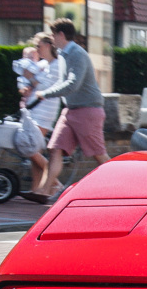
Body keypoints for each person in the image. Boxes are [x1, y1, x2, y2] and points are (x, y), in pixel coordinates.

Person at [24, 19, 110, 202]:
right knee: (55, 149)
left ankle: (123, 186)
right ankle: (44, 192)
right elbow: (63, 84)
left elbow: (72, 84)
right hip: (70, 110)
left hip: (88, 110)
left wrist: (44, 94)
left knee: (99, 154)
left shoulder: (77, 54)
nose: (52, 39)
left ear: (61, 35)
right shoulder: (63, 55)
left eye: (53, 35)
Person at [19, 34, 64, 191]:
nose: (37, 49)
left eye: (39, 46)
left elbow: (46, 86)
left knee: (30, 148)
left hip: (44, 112)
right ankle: (36, 189)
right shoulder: (45, 64)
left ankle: (56, 184)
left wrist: (30, 78)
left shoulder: (57, 64)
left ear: (47, 46)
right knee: (34, 151)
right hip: (35, 110)